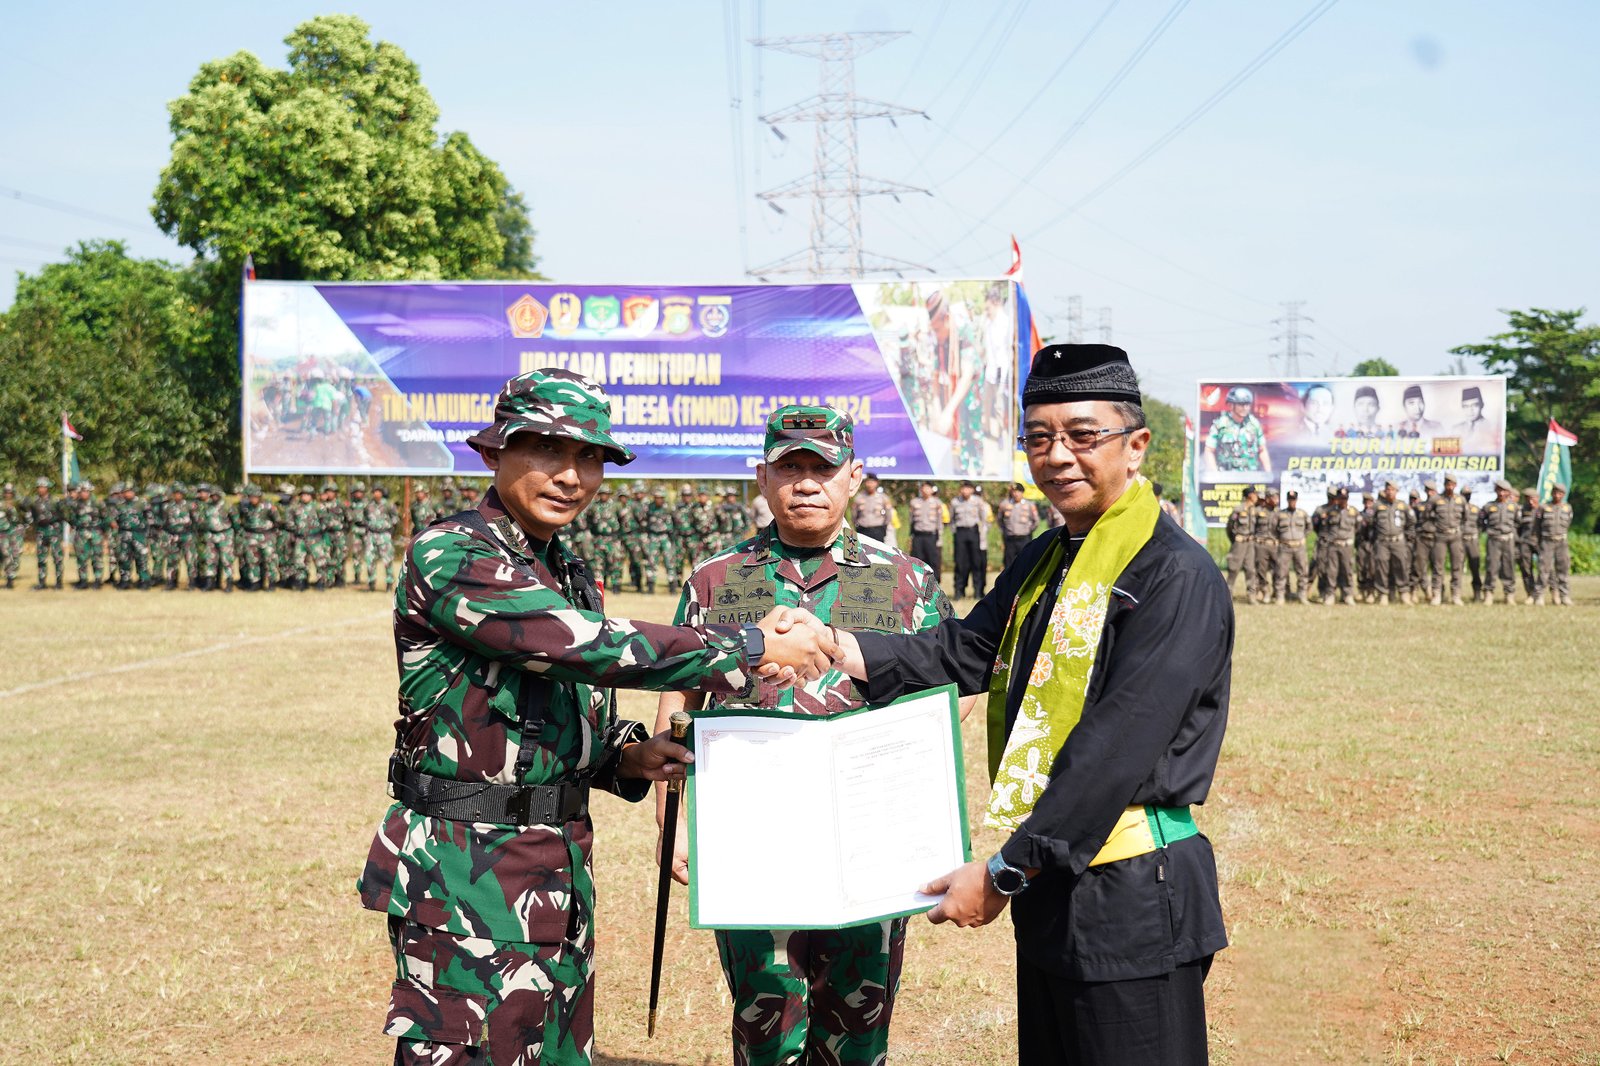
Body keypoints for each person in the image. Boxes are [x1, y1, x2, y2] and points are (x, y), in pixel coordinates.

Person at [357, 368, 836, 1066]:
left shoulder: (566, 569)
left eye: (589, 458)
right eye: (548, 450)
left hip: (556, 874)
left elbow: (559, 704)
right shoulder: (455, 554)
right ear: (496, 453)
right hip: (466, 876)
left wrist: (626, 759)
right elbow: (586, 648)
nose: (571, 475)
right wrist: (752, 645)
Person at [823, 343, 1230, 1065]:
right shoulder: (1046, 557)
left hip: (1131, 893)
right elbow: (965, 651)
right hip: (1054, 884)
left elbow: (1114, 749)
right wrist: (833, 645)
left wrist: (1006, 872)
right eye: (1039, 438)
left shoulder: (1175, 575)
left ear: (1135, 445)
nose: (1058, 456)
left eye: (1082, 435)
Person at [657, 404, 961, 1066]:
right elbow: (679, 697)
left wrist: (920, 803)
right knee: (764, 1016)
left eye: (821, 468)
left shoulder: (906, 580)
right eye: (788, 468)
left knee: (858, 1017)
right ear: (762, 480)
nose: (805, 483)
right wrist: (673, 823)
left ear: (853, 477)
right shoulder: (713, 579)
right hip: (752, 835)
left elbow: (953, 692)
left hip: (869, 837)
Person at [1203, 386, 1270, 473]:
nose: (1245, 408)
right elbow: (1209, 451)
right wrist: (1215, 474)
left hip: (1251, 477)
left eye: (1247, 404)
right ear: (1231, 405)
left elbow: (1262, 450)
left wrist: (1268, 473)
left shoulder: (1254, 424)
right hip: (1226, 478)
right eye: (1241, 405)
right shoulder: (1220, 425)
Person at [1370, 481, 1414, 605]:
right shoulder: (1377, 506)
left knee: (1402, 567)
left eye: (1392, 490)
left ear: (1397, 491)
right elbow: (1370, 523)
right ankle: (1383, 594)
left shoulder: (1403, 505)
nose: (1390, 492)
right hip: (1382, 542)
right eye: (1388, 490)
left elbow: (1411, 522)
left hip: (1398, 541)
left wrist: (1408, 538)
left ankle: (1404, 593)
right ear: (1385, 491)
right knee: (1381, 568)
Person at [1427, 476, 1467, 605]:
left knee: (1457, 567)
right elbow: (1427, 517)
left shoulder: (1461, 500)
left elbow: (1465, 519)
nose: (1450, 487)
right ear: (1444, 485)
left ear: (1455, 485)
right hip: (1440, 537)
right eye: (1447, 484)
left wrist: (1461, 531)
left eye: (1452, 485)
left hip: (1456, 537)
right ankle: (1437, 594)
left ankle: (1456, 595)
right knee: (1438, 567)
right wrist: (1434, 530)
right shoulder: (1436, 500)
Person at [1479, 479, 1519, 604]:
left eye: (1504, 491)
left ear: (1508, 492)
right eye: (1499, 490)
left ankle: (1509, 594)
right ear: (1496, 490)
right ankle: (1489, 593)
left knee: (1509, 567)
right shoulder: (1488, 506)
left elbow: (1518, 523)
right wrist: (1488, 531)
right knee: (1492, 566)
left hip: (1508, 540)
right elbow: (1480, 521)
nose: (1501, 493)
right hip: (1494, 540)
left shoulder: (1514, 507)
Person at [1536, 483, 1574, 606]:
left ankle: (1564, 596)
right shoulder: (1543, 507)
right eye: (1555, 493)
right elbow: (1536, 526)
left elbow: (1568, 524)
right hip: (1547, 541)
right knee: (1543, 569)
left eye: (1560, 493)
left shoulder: (1567, 508)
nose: (1557, 495)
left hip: (1561, 541)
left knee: (1563, 569)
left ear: (1563, 495)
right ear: (1552, 493)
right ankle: (1539, 596)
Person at [1272, 490, 1312, 604]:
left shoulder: (1302, 514)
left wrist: (1303, 537)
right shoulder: (1280, 514)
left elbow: (1310, 527)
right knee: (1281, 572)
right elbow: (1273, 529)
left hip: (1299, 547)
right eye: (1290, 500)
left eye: (1293, 500)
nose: (1292, 502)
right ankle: (1280, 595)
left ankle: (1302, 595)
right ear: (1287, 500)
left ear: (1296, 500)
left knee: (1303, 572)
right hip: (1285, 547)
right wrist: (1280, 539)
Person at [25, 477, 65, 589]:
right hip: (41, 532)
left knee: (57, 558)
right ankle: (42, 582)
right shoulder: (34, 501)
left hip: (54, 532)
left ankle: (59, 582)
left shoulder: (55, 501)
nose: (41, 489)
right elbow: (30, 516)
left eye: (43, 487)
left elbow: (63, 515)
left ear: (47, 488)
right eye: (39, 487)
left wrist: (54, 521)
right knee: (41, 558)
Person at [950, 480, 987, 599]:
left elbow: (983, 519)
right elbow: (951, 520)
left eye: (968, 488)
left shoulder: (978, 501)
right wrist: (954, 532)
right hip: (960, 532)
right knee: (960, 563)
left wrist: (982, 534)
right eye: (963, 488)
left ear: (972, 490)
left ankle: (977, 591)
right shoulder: (955, 502)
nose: (965, 491)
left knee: (976, 562)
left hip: (973, 532)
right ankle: (959, 591)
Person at [1223, 487, 1258, 600]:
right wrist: (1235, 539)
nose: (1256, 496)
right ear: (1249, 495)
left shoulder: (1255, 510)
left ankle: (1251, 595)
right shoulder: (1238, 509)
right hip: (1239, 543)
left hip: (1250, 544)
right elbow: (1230, 527)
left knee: (1251, 569)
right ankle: (1228, 594)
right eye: (1254, 494)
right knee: (1234, 568)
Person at [998, 482, 1041, 568]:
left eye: (1018, 491)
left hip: (1024, 538)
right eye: (1013, 491)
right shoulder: (1005, 504)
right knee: (1009, 564)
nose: (1015, 494)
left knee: (1025, 563)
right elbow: (999, 520)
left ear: (1022, 492)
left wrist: (1028, 530)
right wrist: (1005, 531)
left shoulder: (1029, 505)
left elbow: (1036, 521)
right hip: (1010, 539)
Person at [908, 480, 943, 582]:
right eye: (923, 487)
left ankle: (934, 583)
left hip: (931, 536)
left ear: (932, 490)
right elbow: (911, 520)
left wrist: (939, 537)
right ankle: (918, 583)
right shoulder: (914, 502)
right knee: (917, 560)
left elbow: (940, 522)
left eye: (928, 487)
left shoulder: (937, 503)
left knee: (933, 560)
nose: (925, 490)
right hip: (918, 536)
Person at [1516, 487, 1542, 604]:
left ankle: (1550, 593)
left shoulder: (1543, 509)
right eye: (1528, 499)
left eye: (1533, 499)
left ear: (1537, 498)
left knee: (1546, 569)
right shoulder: (1521, 510)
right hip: (1525, 542)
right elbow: (1517, 527)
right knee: (1526, 569)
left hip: (1540, 542)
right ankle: (1530, 594)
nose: (1530, 502)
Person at [852, 471, 893, 543]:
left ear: (876, 483)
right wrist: (857, 526)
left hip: (878, 530)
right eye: (868, 482)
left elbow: (888, 515)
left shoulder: (883, 498)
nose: (870, 485)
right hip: (863, 530)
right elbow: (854, 515)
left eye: (872, 482)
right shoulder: (859, 497)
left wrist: (883, 527)